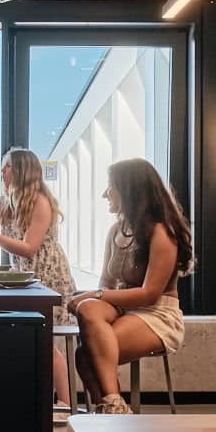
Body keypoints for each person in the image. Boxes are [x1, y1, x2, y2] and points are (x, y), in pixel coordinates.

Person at [70, 158, 193, 415]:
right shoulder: (116, 230)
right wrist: (91, 298)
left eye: (110, 186)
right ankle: (113, 408)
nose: (105, 193)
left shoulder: (161, 232)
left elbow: (150, 294)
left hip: (157, 313)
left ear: (129, 190)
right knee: (88, 309)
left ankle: (111, 410)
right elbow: (105, 282)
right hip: (125, 308)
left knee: (87, 354)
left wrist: (97, 294)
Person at [0, 147, 77, 410]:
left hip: (49, 277)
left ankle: (64, 402)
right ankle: (39, 398)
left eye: (7, 167)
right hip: (26, 279)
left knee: (46, 342)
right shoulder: (6, 201)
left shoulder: (40, 202)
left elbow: (30, 247)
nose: (2, 171)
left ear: (20, 170)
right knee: (36, 339)